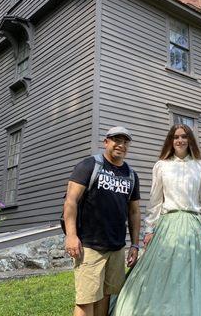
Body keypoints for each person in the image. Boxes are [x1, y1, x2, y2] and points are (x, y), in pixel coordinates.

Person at [113, 124, 201, 316]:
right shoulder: (161, 166)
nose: (180, 140)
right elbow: (155, 200)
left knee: (194, 271)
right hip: (168, 224)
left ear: (190, 139)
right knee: (162, 271)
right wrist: (150, 229)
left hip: (194, 224)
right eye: (176, 137)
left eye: (184, 136)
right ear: (171, 140)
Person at [63, 126, 141, 316]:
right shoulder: (89, 165)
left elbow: (134, 212)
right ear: (106, 142)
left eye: (125, 142)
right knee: (85, 299)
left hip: (115, 247)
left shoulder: (131, 175)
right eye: (116, 140)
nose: (120, 145)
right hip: (89, 245)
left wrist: (135, 245)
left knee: (106, 296)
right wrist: (71, 236)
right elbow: (70, 201)